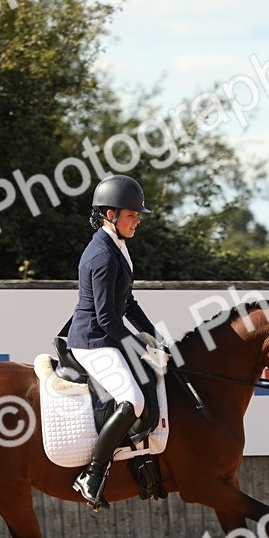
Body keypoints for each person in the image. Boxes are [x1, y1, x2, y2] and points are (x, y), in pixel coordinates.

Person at [66, 174, 165, 510]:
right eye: (131, 215)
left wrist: (154, 335)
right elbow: (107, 318)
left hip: (106, 336)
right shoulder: (103, 256)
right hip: (92, 341)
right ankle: (91, 474)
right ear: (110, 214)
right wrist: (141, 348)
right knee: (133, 399)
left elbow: (128, 302)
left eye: (137, 215)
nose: (137, 220)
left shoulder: (117, 245)